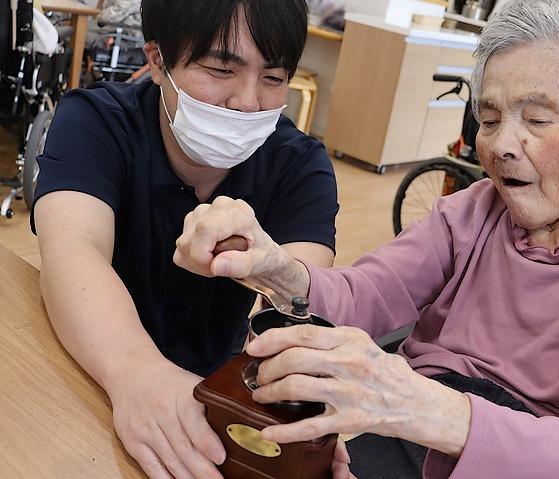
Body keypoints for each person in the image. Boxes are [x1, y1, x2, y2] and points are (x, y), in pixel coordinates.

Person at [174, 0, 559, 477]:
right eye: (488, 118)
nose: (502, 144)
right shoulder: (474, 210)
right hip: (420, 442)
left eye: (536, 120)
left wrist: (415, 404)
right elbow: (367, 293)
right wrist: (276, 269)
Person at [31, 0, 340, 477]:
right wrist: (138, 374)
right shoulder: (96, 121)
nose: (249, 101)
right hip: (83, 356)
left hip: (208, 391)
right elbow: (72, 248)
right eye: (221, 69)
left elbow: (302, 298)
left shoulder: (299, 165)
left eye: (274, 78)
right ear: (157, 60)